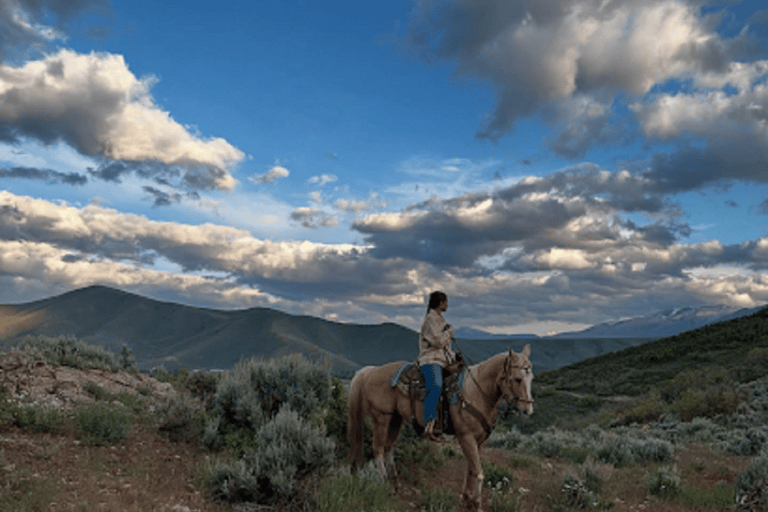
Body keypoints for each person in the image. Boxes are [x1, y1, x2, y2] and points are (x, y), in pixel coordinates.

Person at [418, 290, 456, 439]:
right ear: (440, 303)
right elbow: (438, 341)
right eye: (446, 301)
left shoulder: (440, 320)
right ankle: (429, 421)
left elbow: (445, 348)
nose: (447, 304)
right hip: (430, 360)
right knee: (435, 385)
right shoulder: (430, 320)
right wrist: (449, 333)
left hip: (443, 360)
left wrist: (454, 357)